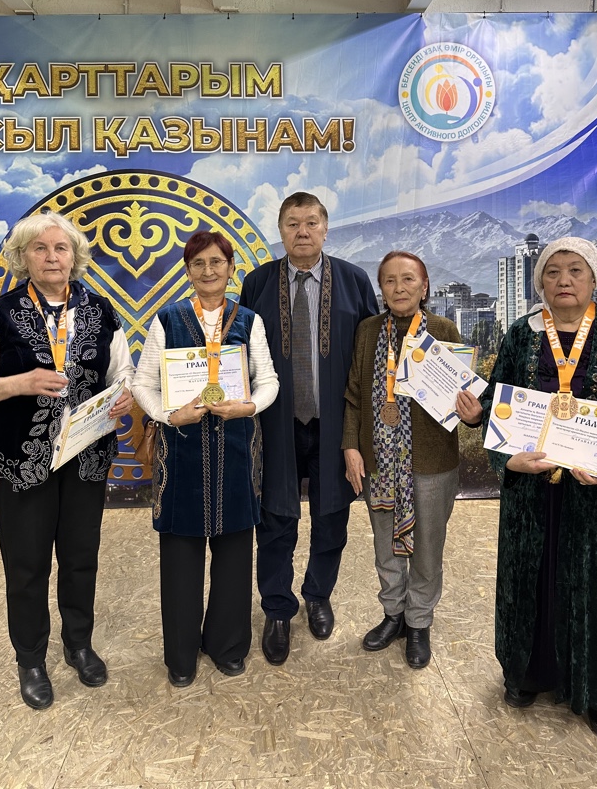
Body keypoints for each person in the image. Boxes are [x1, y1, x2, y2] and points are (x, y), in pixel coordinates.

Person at [0, 212, 134, 710]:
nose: (52, 257)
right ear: (23, 258)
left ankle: (78, 644)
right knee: (26, 564)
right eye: (40, 248)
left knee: (80, 558)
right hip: (20, 461)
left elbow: (124, 372)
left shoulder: (101, 310)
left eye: (61, 248)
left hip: (86, 457)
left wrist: (124, 396)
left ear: (74, 257)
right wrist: (20, 383)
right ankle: (30, 658)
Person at [481, 236, 597, 739]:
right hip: (533, 495)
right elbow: (498, 406)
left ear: (594, 279)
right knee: (531, 581)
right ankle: (527, 674)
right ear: (538, 282)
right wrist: (506, 457)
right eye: (553, 271)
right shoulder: (520, 337)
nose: (564, 280)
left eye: (575, 270)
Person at [132, 231, 278, 687]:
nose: (209, 271)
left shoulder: (249, 321)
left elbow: (269, 381)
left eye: (217, 262)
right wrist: (167, 415)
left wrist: (248, 407)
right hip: (181, 456)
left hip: (235, 453)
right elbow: (142, 384)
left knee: (234, 556)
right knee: (180, 560)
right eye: (199, 264)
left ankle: (227, 646)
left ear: (231, 268)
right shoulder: (167, 319)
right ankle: (181, 656)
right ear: (188, 271)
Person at [239, 192, 378, 665]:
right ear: (280, 230)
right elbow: (241, 354)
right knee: (275, 517)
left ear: (325, 228)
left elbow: (370, 357)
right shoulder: (257, 283)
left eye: (311, 222)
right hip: (274, 421)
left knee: (332, 515)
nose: (302, 231)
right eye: (293, 223)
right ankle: (277, 608)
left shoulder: (354, 281)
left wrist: (360, 433)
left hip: (335, 423)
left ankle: (318, 595)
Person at [343, 251, 482, 668]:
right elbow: (353, 396)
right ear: (381, 289)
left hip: (432, 462)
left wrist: (471, 413)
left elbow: (463, 397)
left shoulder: (443, 330)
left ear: (424, 287)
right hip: (379, 461)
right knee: (385, 545)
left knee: (427, 547)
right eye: (389, 280)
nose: (399, 288)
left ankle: (418, 621)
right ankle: (393, 614)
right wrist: (351, 447)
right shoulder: (368, 331)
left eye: (408, 280)